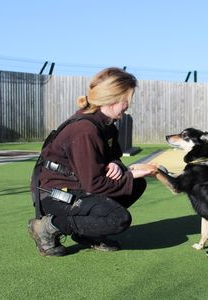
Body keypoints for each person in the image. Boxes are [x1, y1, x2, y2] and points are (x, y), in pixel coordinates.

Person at [28, 67, 154, 256]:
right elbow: (94, 184)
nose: (128, 105)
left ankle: (87, 233)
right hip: (54, 193)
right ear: (112, 98)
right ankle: (48, 226)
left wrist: (115, 164)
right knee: (118, 219)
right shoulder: (85, 129)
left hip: (78, 186)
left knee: (136, 184)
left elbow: (114, 156)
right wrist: (130, 174)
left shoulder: (107, 124)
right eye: (126, 100)